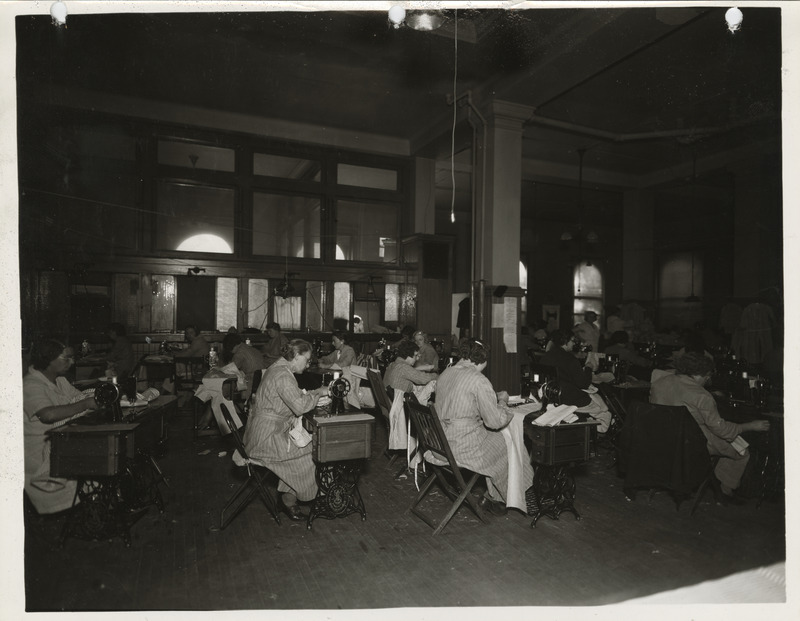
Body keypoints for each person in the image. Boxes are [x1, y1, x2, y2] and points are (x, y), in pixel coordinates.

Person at [650, 352, 769, 503]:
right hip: (692, 443)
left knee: (728, 442)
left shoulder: (661, 382)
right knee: (742, 450)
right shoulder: (702, 396)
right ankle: (724, 492)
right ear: (701, 375)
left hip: (663, 437)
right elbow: (722, 430)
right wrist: (750, 426)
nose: (708, 380)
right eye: (707, 377)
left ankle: (715, 482)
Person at [435, 338, 532, 516]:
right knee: (510, 445)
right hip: (461, 447)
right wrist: (502, 401)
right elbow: (494, 422)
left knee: (495, 442)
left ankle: (494, 496)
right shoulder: (479, 380)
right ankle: (509, 498)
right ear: (482, 359)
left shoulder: (445, 373)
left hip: (439, 443)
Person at [242, 339, 328, 520]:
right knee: (313, 452)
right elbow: (299, 406)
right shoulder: (283, 375)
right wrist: (319, 392)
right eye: (307, 359)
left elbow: (290, 399)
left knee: (305, 448)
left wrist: (309, 396)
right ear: (296, 357)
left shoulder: (278, 368)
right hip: (265, 439)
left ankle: (289, 501)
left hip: (263, 433)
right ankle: (304, 499)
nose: (308, 364)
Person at [23, 339, 101, 513]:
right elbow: (48, 414)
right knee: (98, 460)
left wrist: (92, 398)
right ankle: (93, 511)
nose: (72, 362)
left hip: (62, 442)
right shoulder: (30, 385)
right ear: (48, 359)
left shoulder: (60, 381)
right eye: (67, 358)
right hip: (40, 456)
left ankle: (99, 508)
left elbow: (79, 398)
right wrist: (86, 404)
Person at [539, 330, 611, 433]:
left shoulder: (547, 356)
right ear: (565, 342)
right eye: (572, 341)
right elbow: (583, 384)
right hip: (572, 400)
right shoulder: (570, 360)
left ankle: (583, 424)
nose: (574, 344)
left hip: (552, 396)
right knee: (605, 413)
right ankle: (593, 431)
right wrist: (588, 368)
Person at [221, 332, 266, 401]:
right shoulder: (248, 347)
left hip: (253, 383)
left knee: (224, 387)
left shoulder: (239, 353)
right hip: (263, 381)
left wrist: (219, 369)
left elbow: (229, 370)